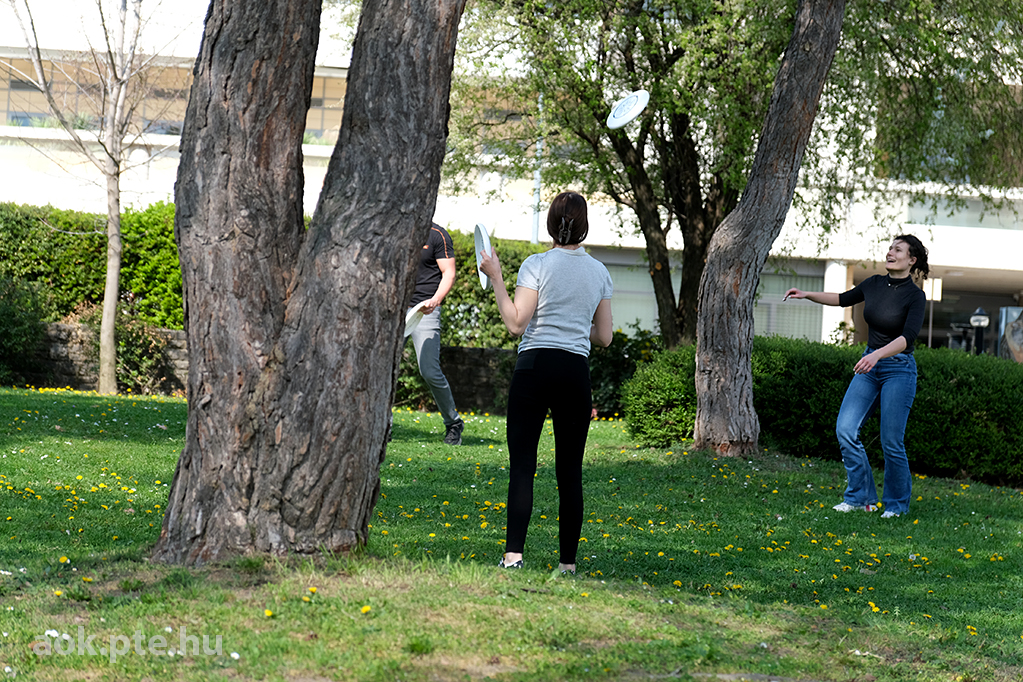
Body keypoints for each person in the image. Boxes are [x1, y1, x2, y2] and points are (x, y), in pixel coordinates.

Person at [478, 191, 614, 573]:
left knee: (523, 465)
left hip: (534, 367)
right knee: (570, 472)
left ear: (552, 224)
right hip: (575, 373)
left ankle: (513, 557)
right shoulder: (599, 272)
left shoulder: (536, 264)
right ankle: (567, 565)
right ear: (584, 227)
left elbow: (515, 323)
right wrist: (575, 324)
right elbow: (604, 337)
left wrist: (496, 277)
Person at [784, 235, 929, 519]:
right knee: (846, 429)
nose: (890, 252)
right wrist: (807, 294)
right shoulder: (873, 283)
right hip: (870, 365)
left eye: (898, 250)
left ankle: (896, 506)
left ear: (911, 260)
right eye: (890, 248)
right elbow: (841, 299)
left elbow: (908, 338)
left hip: (898, 368)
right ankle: (860, 498)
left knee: (891, 441)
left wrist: (877, 355)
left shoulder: (915, 296)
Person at [408, 223, 464, 445]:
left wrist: (435, 300)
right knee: (383, 370)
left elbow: (449, 273)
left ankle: (453, 422)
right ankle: (384, 424)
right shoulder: (393, 228)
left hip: (425, 308)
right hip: (395, 309)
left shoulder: (437, 234)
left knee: (429, 371)